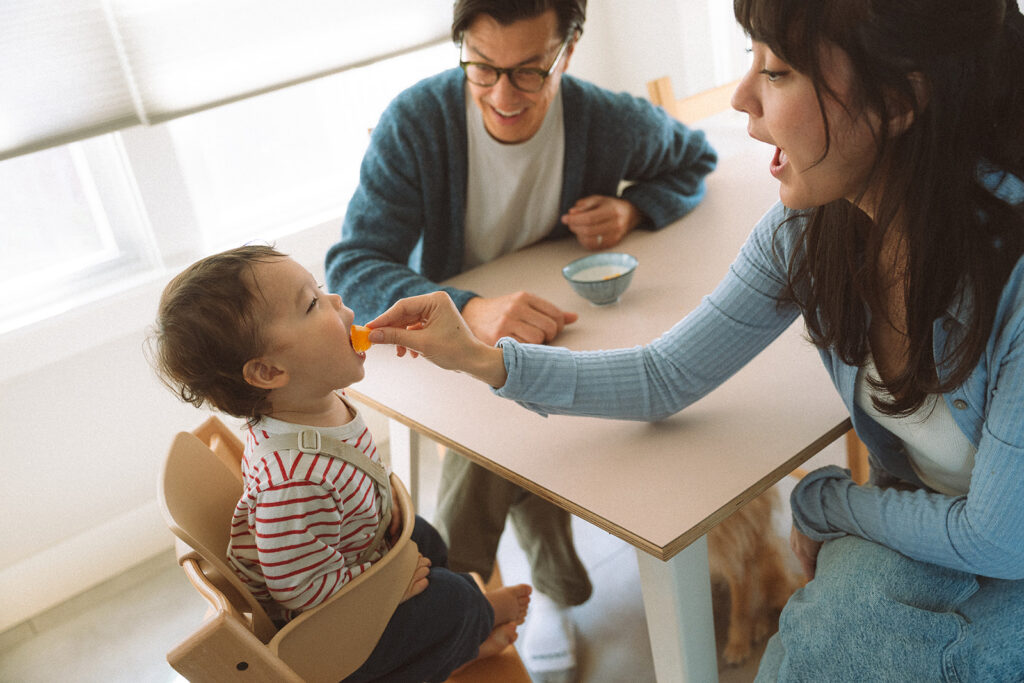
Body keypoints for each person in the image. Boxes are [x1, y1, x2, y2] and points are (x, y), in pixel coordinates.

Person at [364, 0, 1024, 679]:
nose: (742, 99)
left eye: (779, 70)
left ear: (898, 100)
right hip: (945, 536)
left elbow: (1002, 539)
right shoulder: (807, 234)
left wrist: (824, 501)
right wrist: (480, 357)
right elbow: (663, 374)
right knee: (820, 638)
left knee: (828, 638)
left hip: (1002, 554)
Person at [323, 0, 716, 673]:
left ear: (567, 51)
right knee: (493, 443)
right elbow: (352, 264)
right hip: (452, 354)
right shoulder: (417, 122)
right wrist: (467, 310)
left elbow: (696, 157)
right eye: (482, 69)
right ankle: (491, 600)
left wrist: (634, 207)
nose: (504, 96)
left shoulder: (604, 119)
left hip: (566, 328)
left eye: (530, 72)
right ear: (462, 50)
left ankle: (492, 604)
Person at [150, 245, 531, 683]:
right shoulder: (291, 484)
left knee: (428, 540)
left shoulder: (311, 401)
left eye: (321, 290)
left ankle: (457, 637)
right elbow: (298, 589)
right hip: (332, 628)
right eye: (312, 304)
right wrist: (383, 589)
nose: (336, 303)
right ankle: (463, 641)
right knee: (452, 600)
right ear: (270, 372)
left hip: (353, 549)